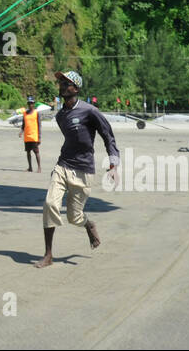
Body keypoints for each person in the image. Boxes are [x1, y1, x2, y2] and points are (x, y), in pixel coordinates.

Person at [35, 70, 119, 268]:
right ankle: (48, 255)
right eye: (61, 82)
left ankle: (88, 224)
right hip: (63, 165)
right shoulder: (60, 116)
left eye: (66, 82)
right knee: (50, 204)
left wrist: (113, 163)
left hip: (84, 170)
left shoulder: (90, 111)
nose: (62, 85)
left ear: (76, 88)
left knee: (74, 217)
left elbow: (108, 135)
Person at [20, 96, 41, 172]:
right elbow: (23, 124)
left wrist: (39, 137)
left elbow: (39, 125)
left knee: (36, 152)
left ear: (34, 104)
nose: (30, 105)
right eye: (29, 103)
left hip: (34, 136)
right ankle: (30, 168)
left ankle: (39, 167)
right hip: (27, 136)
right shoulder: (25, 113)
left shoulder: (36, 113)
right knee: (28, 152)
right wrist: (21, 132)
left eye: (31, 103)